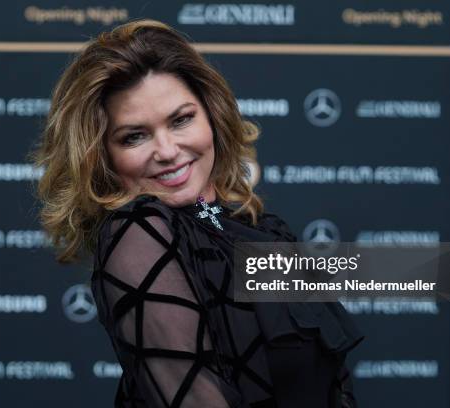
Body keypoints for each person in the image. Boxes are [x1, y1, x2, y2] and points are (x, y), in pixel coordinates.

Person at [30, 18, 364, 407]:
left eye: (181, 119)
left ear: (212, 116)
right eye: (134, 136)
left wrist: (441, 272)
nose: (168, 150)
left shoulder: (253, 226)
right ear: (103, 157)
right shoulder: (138, 233)